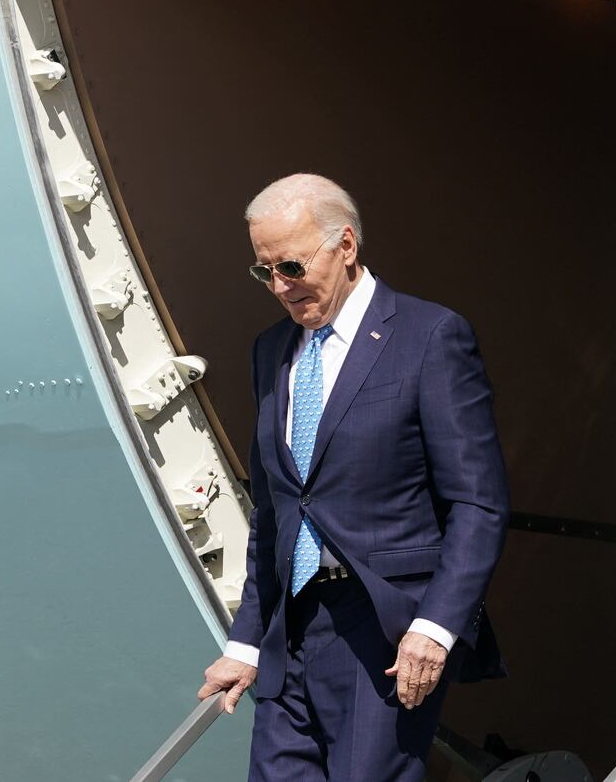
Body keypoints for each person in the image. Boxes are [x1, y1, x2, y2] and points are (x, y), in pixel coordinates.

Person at [198, 173, 510, 782]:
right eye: (265, 272)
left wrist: (436, 627)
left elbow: (478, 503)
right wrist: (245, 641)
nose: (280, 286)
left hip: (386, 630)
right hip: (292, 629)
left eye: (292, 266)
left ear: (345, 245)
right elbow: (277, 509)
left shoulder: (429, 336)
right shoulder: (270, 351)